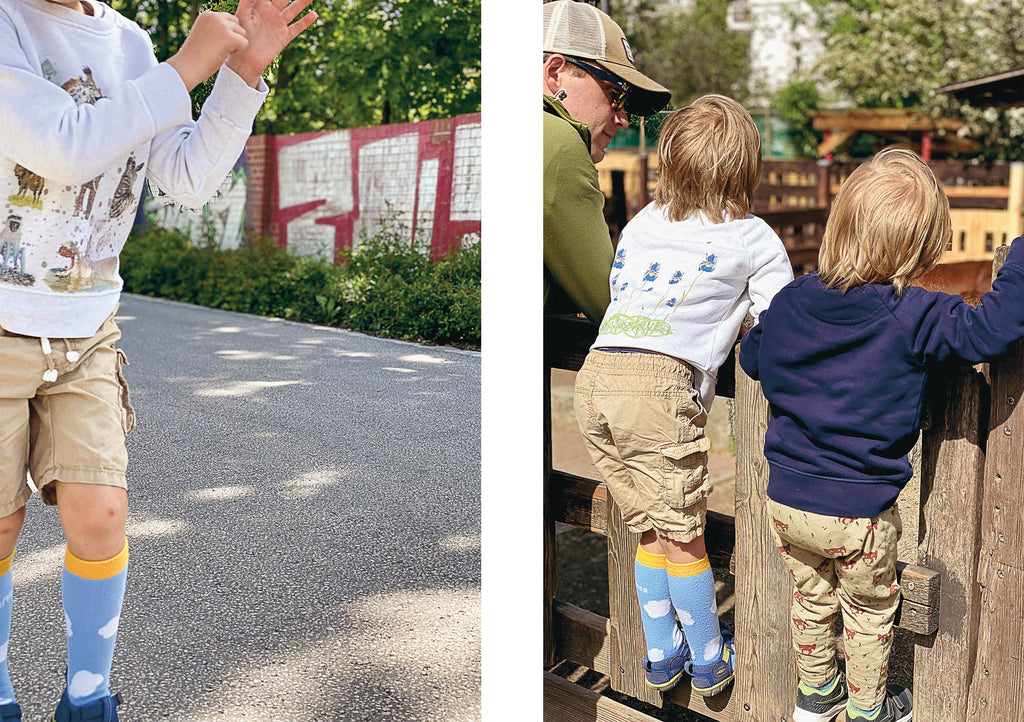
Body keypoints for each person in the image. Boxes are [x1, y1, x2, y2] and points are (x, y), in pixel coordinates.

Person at [0, 1, 316, 720]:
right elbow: (63, 144)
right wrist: (184, 67)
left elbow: (185, 177)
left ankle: (87, 700)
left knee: (102, 510)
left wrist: (239, 72)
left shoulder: (128, 41)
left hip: (85, 331)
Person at [739, 147, 1024, 722]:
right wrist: (1020, 256)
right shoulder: (910, 313)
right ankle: (869, 709)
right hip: (859, 512)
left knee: (811, 600)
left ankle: (815, 700)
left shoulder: (794, 299)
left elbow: (752, 356)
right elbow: (990, 330)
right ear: (919, 246)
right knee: (868, 611)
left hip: (788, 502)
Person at [574, 95, 794, 696]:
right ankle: (706, 655)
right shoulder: (753, 236)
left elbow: (621, 283)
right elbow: (779, 317)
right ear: (744, 168)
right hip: (658, 384)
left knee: (649, 525)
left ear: (670, 159)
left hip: (596, 375)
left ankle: (660, 650)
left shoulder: (644, 221)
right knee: (684, 530)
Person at [542, 0, 670, 324]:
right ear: (555, 73)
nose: (623, 118)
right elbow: (614, 307)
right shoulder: (558, 143)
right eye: (617, 94)